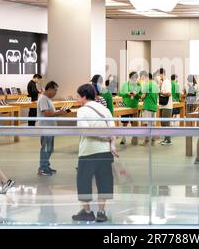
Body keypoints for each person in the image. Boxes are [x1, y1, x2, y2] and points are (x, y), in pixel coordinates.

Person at [72, 84, 118, 222]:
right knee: (104, 181)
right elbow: (113, 129)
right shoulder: (104, 109)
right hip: (105, 152)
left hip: (88, 152)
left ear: (84, 96)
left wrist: (102, 137)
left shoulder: (82, 111)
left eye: (78, 95)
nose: (76, 98)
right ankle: (101, 212)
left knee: (83, 181)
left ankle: (87, 211)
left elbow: (85, 131)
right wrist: (112, 145)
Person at [37, 81, 69, 176]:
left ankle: (46, 166)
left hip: (50, 128)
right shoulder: (43, 99)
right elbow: (46, 113)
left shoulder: (48, 99)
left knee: (49, 148)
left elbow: (50, 112)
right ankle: (42, 168)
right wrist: (60, 113)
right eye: (55, 90)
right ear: (49, 89)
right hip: (45, 128)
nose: (56, 92)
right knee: (46, 148)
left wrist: (58, 112)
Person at [119, 72, 142, 145]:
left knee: (134, 123)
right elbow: (120, 93)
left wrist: (136, 94)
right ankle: (123, 138)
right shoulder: (125, 84)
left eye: (135, 78)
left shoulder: (138, 85)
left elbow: (141, 96)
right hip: (125, 106)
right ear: (130, 78)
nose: (134, 80)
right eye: (133, 78)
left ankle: (134, 139)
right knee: (124, 123)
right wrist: (127, 93)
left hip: (134, 106)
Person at [140, 72, 159, 146]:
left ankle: (146, 141)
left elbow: (143, 96)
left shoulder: (147, 85)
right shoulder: (155, 85)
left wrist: (140, 98)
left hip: (147, 106)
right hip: (154, 106)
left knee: (147, 124)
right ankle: (153, 141)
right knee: (152, 124)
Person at [157, 68, 173, 146]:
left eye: (159, 74)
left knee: (166, 123)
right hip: (162, 105)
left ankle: (168, 139)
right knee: (163, 123)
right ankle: (165, 138)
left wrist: (161, 92)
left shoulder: (167, 82)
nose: (158, 76)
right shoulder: (162, 82)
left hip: (167, 105)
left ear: (162, 74)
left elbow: (169, 93)